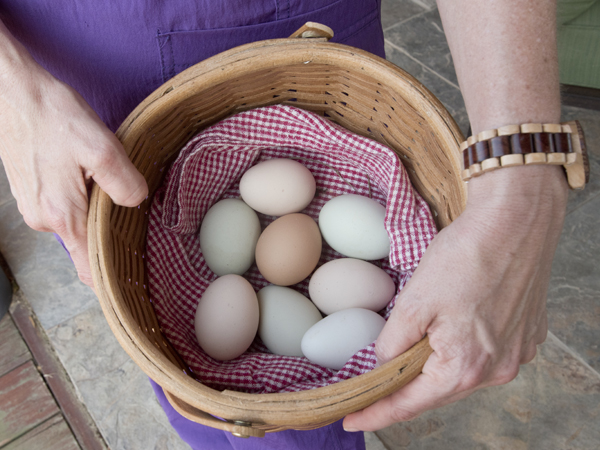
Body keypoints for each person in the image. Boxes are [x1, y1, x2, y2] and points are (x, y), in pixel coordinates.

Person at [0, 0, 567, 448]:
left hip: (289, 21)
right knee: (183, 374)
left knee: (305, 427)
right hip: (61, 67)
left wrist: (522, 185)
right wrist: (11, 90)